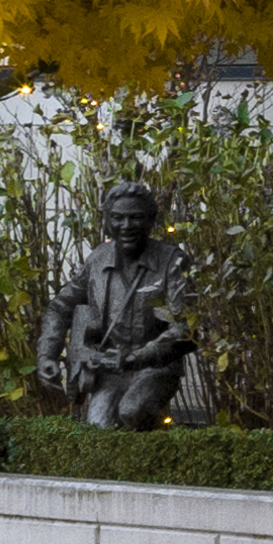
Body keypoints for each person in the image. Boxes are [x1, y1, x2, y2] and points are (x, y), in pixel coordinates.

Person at [38, 184, 196, 429]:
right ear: (107, 221)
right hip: (108, 371)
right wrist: (47, 354)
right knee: (98, 428)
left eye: (136, 218)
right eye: (118, 218)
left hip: (155, 369)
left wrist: (136, 358)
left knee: (132, 411)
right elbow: (60, 307)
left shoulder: (172, 262)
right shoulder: (98, 259)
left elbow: (185, 329)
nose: (126, 226)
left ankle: (159, 452)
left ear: (151, 220)